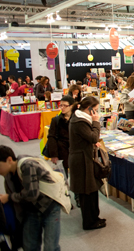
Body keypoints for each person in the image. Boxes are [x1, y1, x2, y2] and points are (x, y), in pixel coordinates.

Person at [0, 145, 63, 250]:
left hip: (49, 208)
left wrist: (9, 197)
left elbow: (32, 194)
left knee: (50, 247)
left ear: (9, 160)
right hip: (31, 211)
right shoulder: (8, 175)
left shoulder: (27, 166)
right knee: (29, 247)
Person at [69, 96, 105, 230]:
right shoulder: (80, 121)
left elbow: (88, 138)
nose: (96, 113)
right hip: (81, 160)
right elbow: (93, 136)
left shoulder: (79, 118)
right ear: (89, 109)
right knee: (87, 192)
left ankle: (95, 217)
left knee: (92, 190)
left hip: (84, 157)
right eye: (95, 110)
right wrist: (96, 122)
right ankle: (90, 222)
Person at [47, 96, 75, 176]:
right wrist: (54, 154)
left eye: (65, 105)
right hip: (62, 150)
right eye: (61, 105)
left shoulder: (76, 119)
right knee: (63, 175)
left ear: (71, 106)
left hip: (74, 150)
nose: (62, 108)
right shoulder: (56, 120)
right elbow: (51, 137)